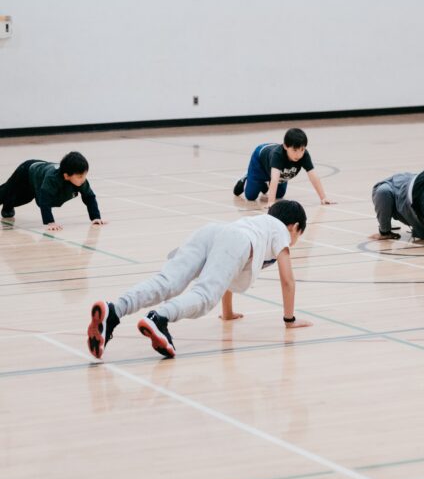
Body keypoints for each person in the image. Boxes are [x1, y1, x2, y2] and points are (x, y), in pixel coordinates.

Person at [86, 200, 312, 360]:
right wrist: (289, 319)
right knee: (203, 296)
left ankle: (114, 310)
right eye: (297, 236)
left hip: (213, 231)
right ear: (295, 228)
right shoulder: (281, 230)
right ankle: (160, 318)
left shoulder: (257, 224)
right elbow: (288, 280)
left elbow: (227, 273)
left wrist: (228, 313)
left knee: (167, 281)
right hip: (234, 240)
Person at [0, 152, 106, 231]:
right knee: (6, 192)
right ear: (66, 176)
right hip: (27, 170)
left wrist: (95, 217)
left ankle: (8, 205)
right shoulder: (52, 179)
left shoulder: (81, 181)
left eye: (84, 175)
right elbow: (44, 200)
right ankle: (7, 203)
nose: (83, 179)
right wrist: (50, 222)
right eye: (79, 176)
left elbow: (90, 197)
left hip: (37, 180)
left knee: (25, 198)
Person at [232, 128, 335, 207]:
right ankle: (247, 177)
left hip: (274, 171)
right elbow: (275, 178)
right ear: (285, 146)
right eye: (295, 150)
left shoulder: (304, 155)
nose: (299, 154)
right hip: (260, 161)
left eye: (302, 149)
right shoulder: (278, 155)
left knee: (280, 194)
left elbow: (313, 176)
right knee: (251, 196)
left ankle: (263, 183)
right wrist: (271, 202)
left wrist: (323, 197)